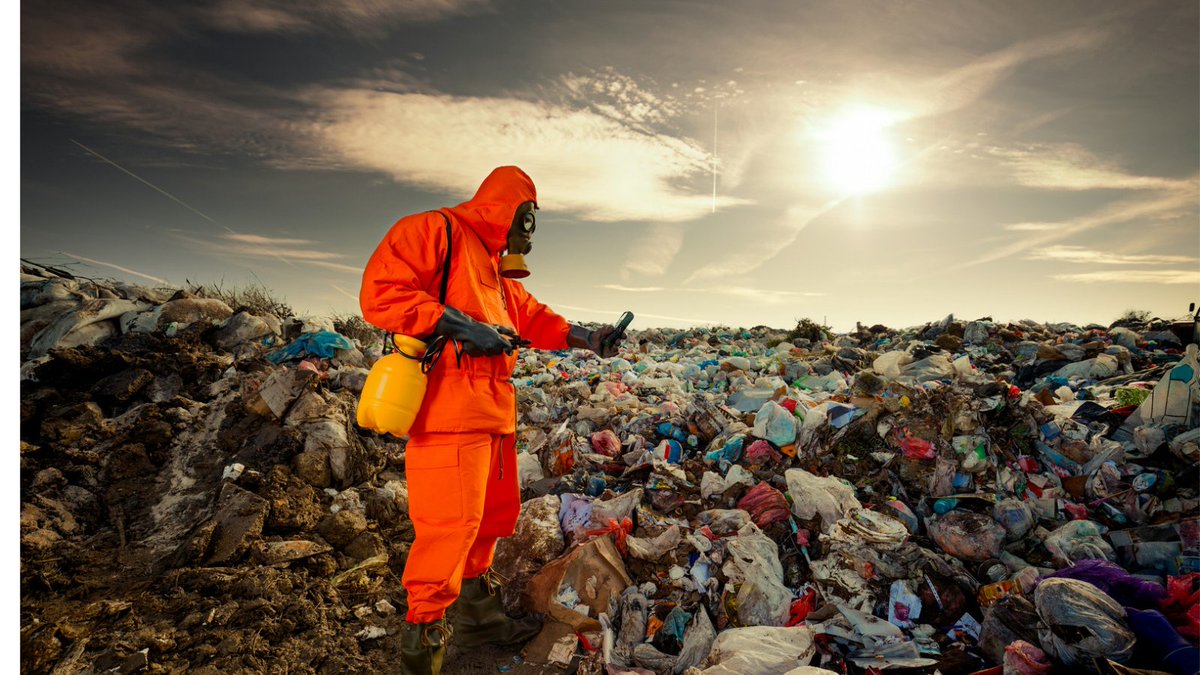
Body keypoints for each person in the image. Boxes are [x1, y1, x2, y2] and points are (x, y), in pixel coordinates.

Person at [359, 166, 620, 674]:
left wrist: (590, 338)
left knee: (494, 518)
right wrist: (459, 326)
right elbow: (381, 292)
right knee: (449, 527)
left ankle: (478, 616)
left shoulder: (496, 272)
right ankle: (423, 643)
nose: (531, 232)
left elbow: (536, 318)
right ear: (502, 209)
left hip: (494, 412)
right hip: (447, 411)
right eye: (527, 218)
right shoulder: (434, 231)